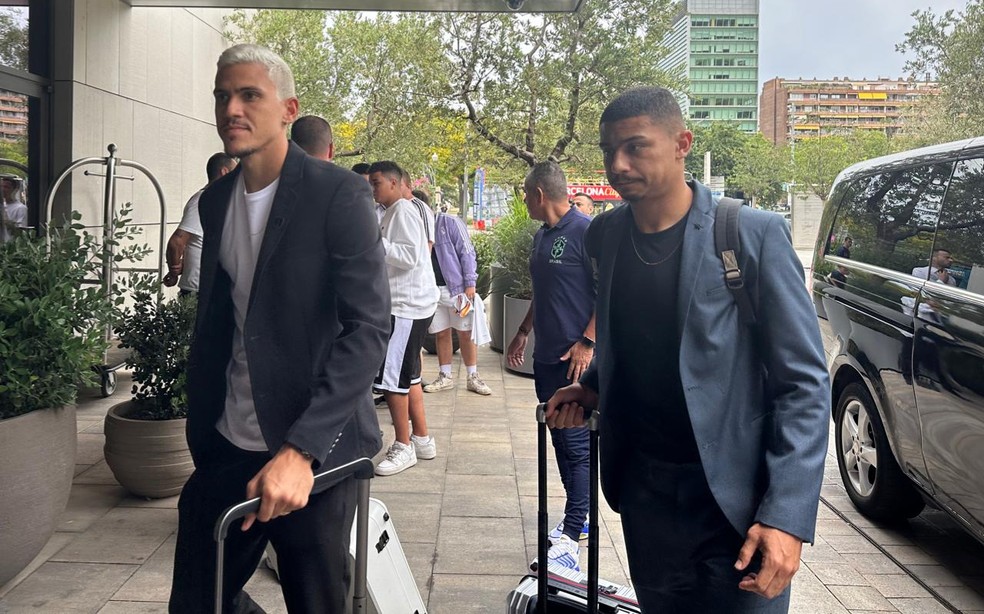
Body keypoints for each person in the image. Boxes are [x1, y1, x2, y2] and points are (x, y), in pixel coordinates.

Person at [545, 86, 829, 612]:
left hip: (738, 502)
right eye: (609, 151)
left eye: (635, 147)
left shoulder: (750, 234)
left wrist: (787, 516)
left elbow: (805, 383)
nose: (618, 164)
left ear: (682, 144)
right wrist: (592, 387)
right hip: (647, 497)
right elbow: (634, 336)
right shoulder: (603, 236)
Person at [168, 44, 391, 613]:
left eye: (249, 95)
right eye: (223, 96)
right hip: (228, 443)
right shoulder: (216, 201)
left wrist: (302, 450)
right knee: (197, 601)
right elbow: (224, 321)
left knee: (317, 602)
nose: (231, 109)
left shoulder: (337, 192)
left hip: (311, 450)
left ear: (288, 109)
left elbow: (367, 327)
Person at [506, 161, 596, 572]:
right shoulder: (543, 237)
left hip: (573, 363)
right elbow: (545, 293)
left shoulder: (585, 232)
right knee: (559, 442)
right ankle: (579, 519)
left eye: (526, 194)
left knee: (576, 446)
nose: (524, 200)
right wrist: (524, 331)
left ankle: (574, 530)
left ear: (539, 194)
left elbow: (607, 294)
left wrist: (588, 342)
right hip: (545, 358)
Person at [368, 160, 440, 477]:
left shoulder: (403, 211)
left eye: (377, 182)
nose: (373, 188)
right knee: (408, 377)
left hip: (406, 307)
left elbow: (411, 256)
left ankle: (403, 445)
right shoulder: (393, 212)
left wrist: (373, 242)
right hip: (410, 305)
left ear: (396, 183)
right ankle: (422, 439)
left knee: (392, 381)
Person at [420, 189, 493, 397]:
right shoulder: (415, 227)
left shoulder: (449, 223)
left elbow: (467, 251)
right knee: (441, 333)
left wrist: (470, 283)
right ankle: (445, 376)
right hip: (432, 291)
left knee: (465, 332)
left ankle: (473, 376)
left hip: (456, 290)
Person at [163, 153, 237, 293]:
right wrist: (173, 271)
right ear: (224, 172)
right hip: (198, 289)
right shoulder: (202, 200)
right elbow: (177, 241)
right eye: (235, 173)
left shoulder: (221, 201)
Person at [401, 171, 435, 250]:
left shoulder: (419, 208)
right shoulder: (380, 208)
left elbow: (427, 244)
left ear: (409, 186)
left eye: (399, 185)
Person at [0, 174, 27, 244]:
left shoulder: (20, 208)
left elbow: (21, 233)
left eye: (6, 187)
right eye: (1, 186)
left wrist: (7, 222)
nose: (2, 190)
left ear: (15, 190)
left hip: (9, 248)